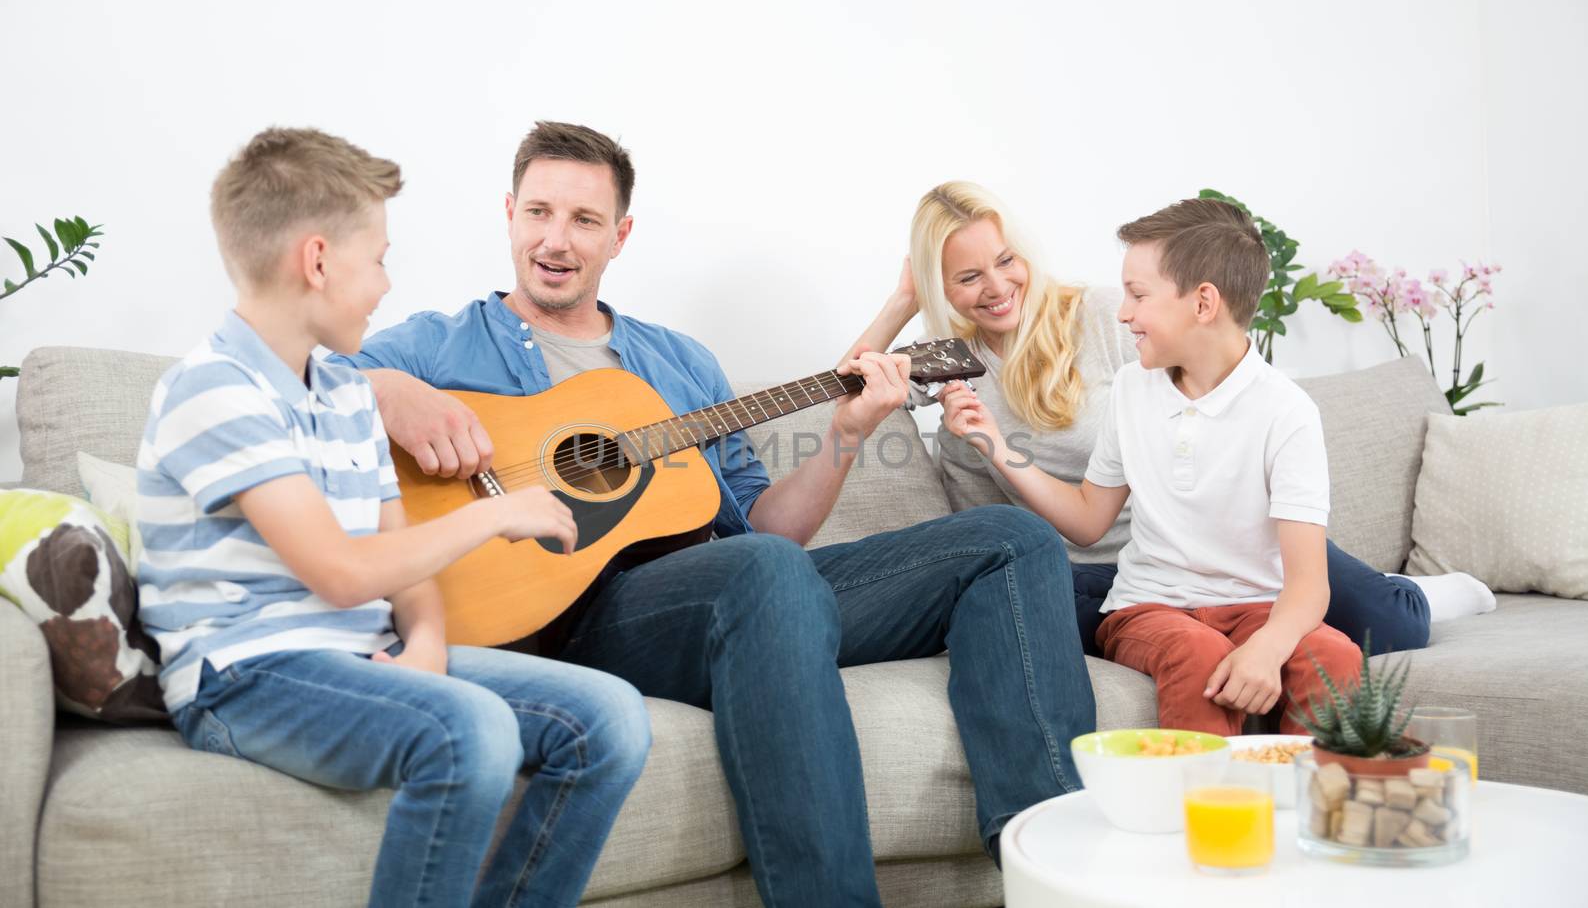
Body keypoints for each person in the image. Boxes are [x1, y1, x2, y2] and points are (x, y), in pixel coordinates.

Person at [329, 121, 1095, 906]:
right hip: (573, 617)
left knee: (1010, 540)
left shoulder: (681, 363)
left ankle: (1054, 876)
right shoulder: (436, 345)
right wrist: (388, 390)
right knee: (766, 574)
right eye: (539, 213)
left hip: (734, 590)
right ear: (510, 212)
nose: (556, 239)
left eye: (585, 220)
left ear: (620, 234)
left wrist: (845, 433)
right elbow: (296, 381)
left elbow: (769, 529)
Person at [136, 127, 650, 907]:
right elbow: (341, 572)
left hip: (357, 653)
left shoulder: (345, 393)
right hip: (244, 678)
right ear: (316, 261)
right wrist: (494, 514)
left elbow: (398, 553)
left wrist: (430, 645)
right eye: (377, 258)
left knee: (610, 716)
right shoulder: (213, 389)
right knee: (470, 733)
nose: (384, 284)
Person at [849, 181, 1496, 657]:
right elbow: (843, 391)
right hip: (1099, 574)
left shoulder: (1105, 315)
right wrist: (903, 301)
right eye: (966, 276)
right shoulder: (945, 362)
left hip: (1204, 542)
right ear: (941, 288)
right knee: (1023, 611)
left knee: (1394, 626)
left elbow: (1221, 400)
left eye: (1005, 260)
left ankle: (1424, 591)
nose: (997, 285)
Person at [942, 196, 1362, 734]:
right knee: (1197, 651)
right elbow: (1090, 521)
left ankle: (1308, 814)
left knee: (1337, 659)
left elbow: (1308, 586)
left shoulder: (1287, 412)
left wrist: (1268, 648)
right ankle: (1200, 816)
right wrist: (995, 445)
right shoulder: (1131, 389)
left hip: (1256, 604)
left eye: (1138, 295)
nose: (1122, 313)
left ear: (1203, 303)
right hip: (1149, 607)